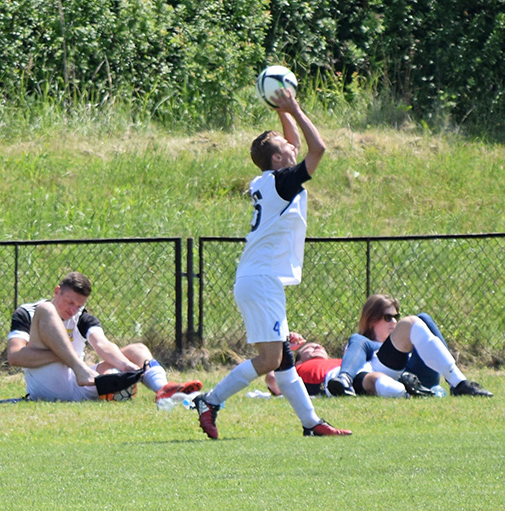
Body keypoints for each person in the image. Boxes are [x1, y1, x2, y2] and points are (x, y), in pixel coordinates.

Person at [191, 86, 351, 439]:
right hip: (261, 279)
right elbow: (318, 149)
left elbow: (292, 145)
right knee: (268, 361)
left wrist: (282, 112)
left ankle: (311, 423)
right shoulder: (282, 181)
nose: (291, 145)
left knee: (284, 360)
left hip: (260, 278)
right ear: (278, 160)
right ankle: (211, 401)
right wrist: (294, 106)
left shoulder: (268, 179)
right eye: (284, 146)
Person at [6, 271, 201, 402]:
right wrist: (70, 359)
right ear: (57, 291)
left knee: (137, 350)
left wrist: (127, 367)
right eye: (69, 302)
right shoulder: (29, 312)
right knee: (46, 309)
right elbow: (15, 357)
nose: (74, 310)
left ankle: (163, 390)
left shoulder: (81, 315)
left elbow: (102, 344)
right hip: (48, 388)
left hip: (81, 382)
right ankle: (84, 371)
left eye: (79, 305)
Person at [326, 294, 492, 397]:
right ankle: (344, 379)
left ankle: (458, 384)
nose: (394, 322)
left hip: (416, 374)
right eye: (387, 317)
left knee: (423, 318)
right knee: (410, 323)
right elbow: (360, 366)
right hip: (384, 372)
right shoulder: (363, 342)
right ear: (371, 320)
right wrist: (346, 376)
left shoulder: (404, 342)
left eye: (396, 316)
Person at [266, 337, 436, 398]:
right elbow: (273, 379)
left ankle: (409, 388)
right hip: (333, 380)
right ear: (298, 361)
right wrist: (285, 350)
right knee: (372, 380)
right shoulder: (298, 369)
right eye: (309, 348)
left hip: (358, 369)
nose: (316, 347)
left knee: (372, 375)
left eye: (319, 346)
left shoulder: (345, 360)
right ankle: (405, 393)